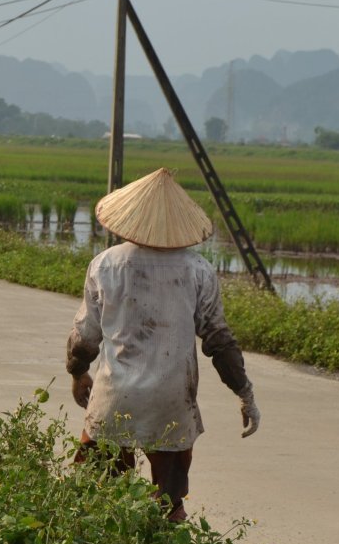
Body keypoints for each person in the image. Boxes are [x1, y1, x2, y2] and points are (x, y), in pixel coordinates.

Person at [66, 167, 260, 522]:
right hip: (171, 400)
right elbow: (219, 340)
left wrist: (78, 373)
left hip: (114, 396)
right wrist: (245, 393)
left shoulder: (106, 265)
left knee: (94, 495)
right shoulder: (197, 270)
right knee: (168, 503)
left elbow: (84, 336)